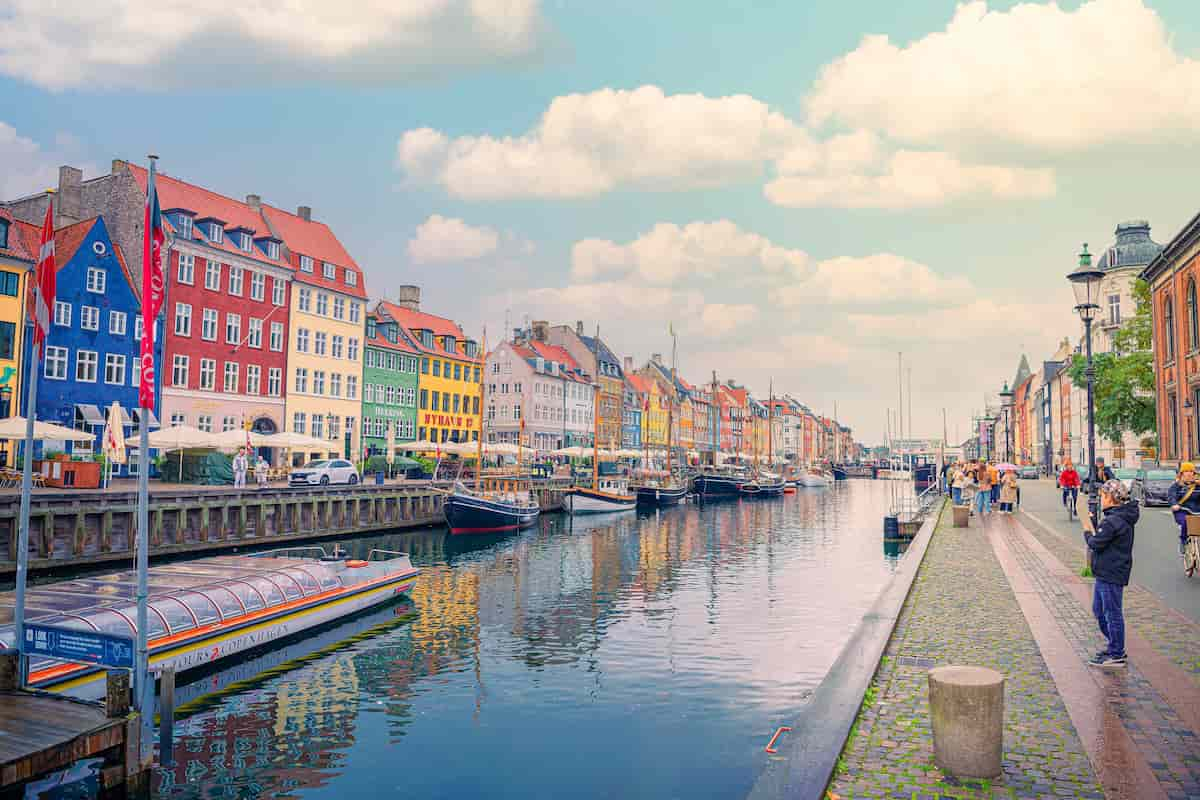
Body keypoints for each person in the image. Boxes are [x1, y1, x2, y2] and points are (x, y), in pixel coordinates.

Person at [1083, 478, 1137, 668]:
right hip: (1107, 571)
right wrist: (1095, 525)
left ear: (1111, 498)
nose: (1101, 500)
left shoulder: (1114, 520)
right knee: (1099, 610)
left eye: (1103, 496)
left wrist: (1087, 532)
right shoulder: (1116, 518)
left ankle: (1117, 653)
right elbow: (1106, 537)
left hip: (1111, 573)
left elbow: (1096, 543)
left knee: (1112, 613)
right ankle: (1114, 645)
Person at [1169, 462, 1200, 557]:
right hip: (1182, 510)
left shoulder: (1198, 485)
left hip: (1197, 510)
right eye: (1186, 471)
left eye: (1191, 471)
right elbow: (1171, 496)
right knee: (1185, 522)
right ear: (1181, 473)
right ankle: (1183, 542)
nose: (1189, 473)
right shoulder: (1176, 486)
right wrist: (1174, 504)